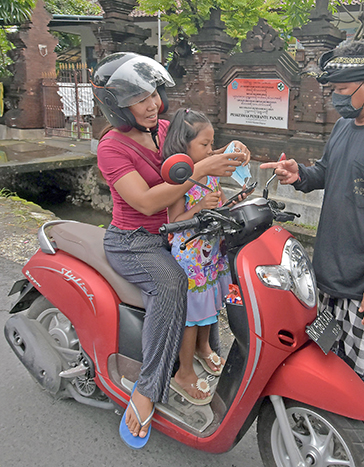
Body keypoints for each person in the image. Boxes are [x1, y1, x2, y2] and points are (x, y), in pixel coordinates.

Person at [261, 41, 364, 467]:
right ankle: (342, 423)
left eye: (339, 89)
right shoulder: (343, 129)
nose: (333, 98)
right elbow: (328, 173)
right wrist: (301, 175)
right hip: (330, 269)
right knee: (333, 360)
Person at [92, 52, 250, 448]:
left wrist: (231, 153)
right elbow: (145, 203)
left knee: (214, 271)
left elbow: (199, 151)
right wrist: (200, 171)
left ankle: (203, 347)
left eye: (153, 93)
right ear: (115, 105)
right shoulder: (111, 148)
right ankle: (150, 387)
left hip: (177, 230)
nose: (152, 104)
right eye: (139, 98)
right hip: (134, 240)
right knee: (173, 284)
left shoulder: (162, 130)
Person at [162, 108, 236, 405]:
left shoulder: (209, 170)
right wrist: (200, 207)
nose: (210, 150)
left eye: (211, 144)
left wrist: (230, 202)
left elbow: (215, 204)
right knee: (192, 315)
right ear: (184, 145)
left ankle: (204, 348)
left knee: (211, 305)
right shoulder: (180, 178)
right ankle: (184, 372)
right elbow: (175, 220)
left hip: (211, 252)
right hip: (190, 255)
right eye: (204, 145)